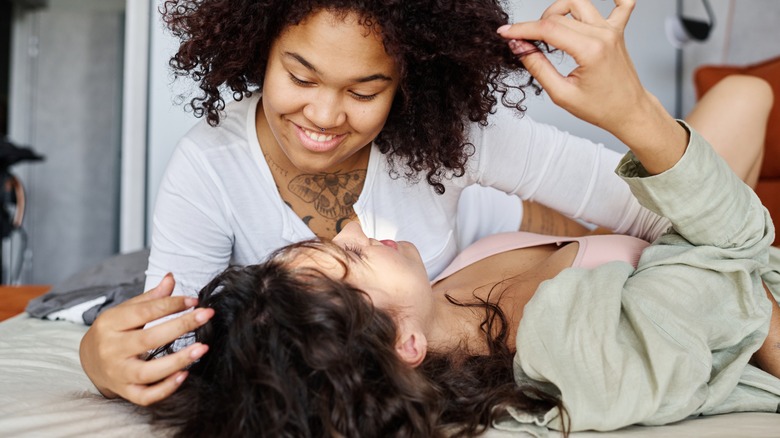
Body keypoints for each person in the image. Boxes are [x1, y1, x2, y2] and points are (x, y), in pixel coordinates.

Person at [79, 0, 772, 406]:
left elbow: (659, 211)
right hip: (501, 264)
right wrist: (99, 362)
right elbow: (171, 341)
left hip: (529, 238)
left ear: (407, 80)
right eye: (300, 75)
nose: (323, 116)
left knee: (747, 96)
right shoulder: (210, 163)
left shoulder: (452, 134)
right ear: (260, 52)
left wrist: (632, 113)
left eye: (363, 90)